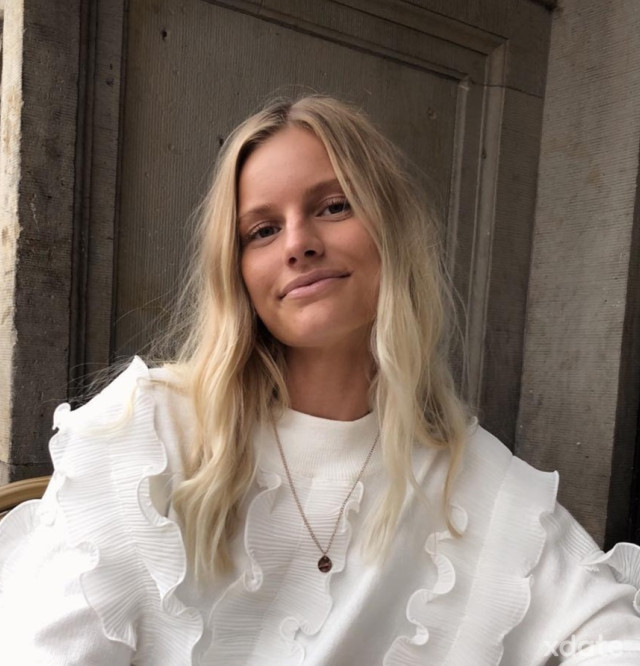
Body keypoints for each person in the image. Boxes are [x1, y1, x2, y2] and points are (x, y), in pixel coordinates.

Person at [1, 95, 639, 666]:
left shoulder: (472, 478)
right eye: (262, 230)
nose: (298, 244)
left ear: (391, 231)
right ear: (237, 271)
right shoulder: (147, 435)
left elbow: (613, 637)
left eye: (334, 207)